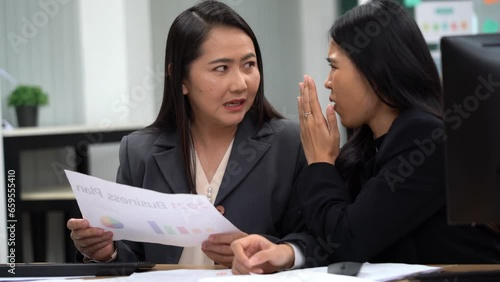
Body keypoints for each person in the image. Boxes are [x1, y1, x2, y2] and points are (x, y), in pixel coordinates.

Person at [231, 0, 500, 274]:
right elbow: (332, 227)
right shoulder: (369, 146)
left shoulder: (424, 136)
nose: (327, 81)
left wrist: (321, 164)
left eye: (334, 67)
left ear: (374, 69)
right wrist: (286, 252)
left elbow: (348, 240)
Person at [66, 0, 309, 267]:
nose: (240, 84)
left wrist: (268, 253)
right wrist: (106, 253)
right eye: (221, 68)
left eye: (249, 65)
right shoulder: (140, 152)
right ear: (180, 78)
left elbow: (316, 240)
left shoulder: (288, 143)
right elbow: (130, 256)